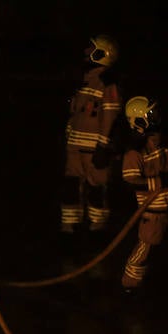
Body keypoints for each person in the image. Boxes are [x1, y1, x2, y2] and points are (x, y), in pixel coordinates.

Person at [119, 95, 168, 290]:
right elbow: (131, 181)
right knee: (146, 245)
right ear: (138, 122)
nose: (157, 117)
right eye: (151, 115)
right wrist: (159, 182)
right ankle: (129, 284)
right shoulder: (135, 154)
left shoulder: (167, 139)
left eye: (156, 112)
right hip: (154, 212)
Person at [60, 35, 122, 236]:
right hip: (75, 147)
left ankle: (98, 229)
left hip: (94, 149)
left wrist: (103, 147)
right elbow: (75, 114)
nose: (86, 53)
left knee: (96, 189)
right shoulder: (86, 80)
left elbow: (110, 116)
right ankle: (70, 227)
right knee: (70, 187)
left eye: (91, 49)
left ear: (102, 54)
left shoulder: (107, 83)